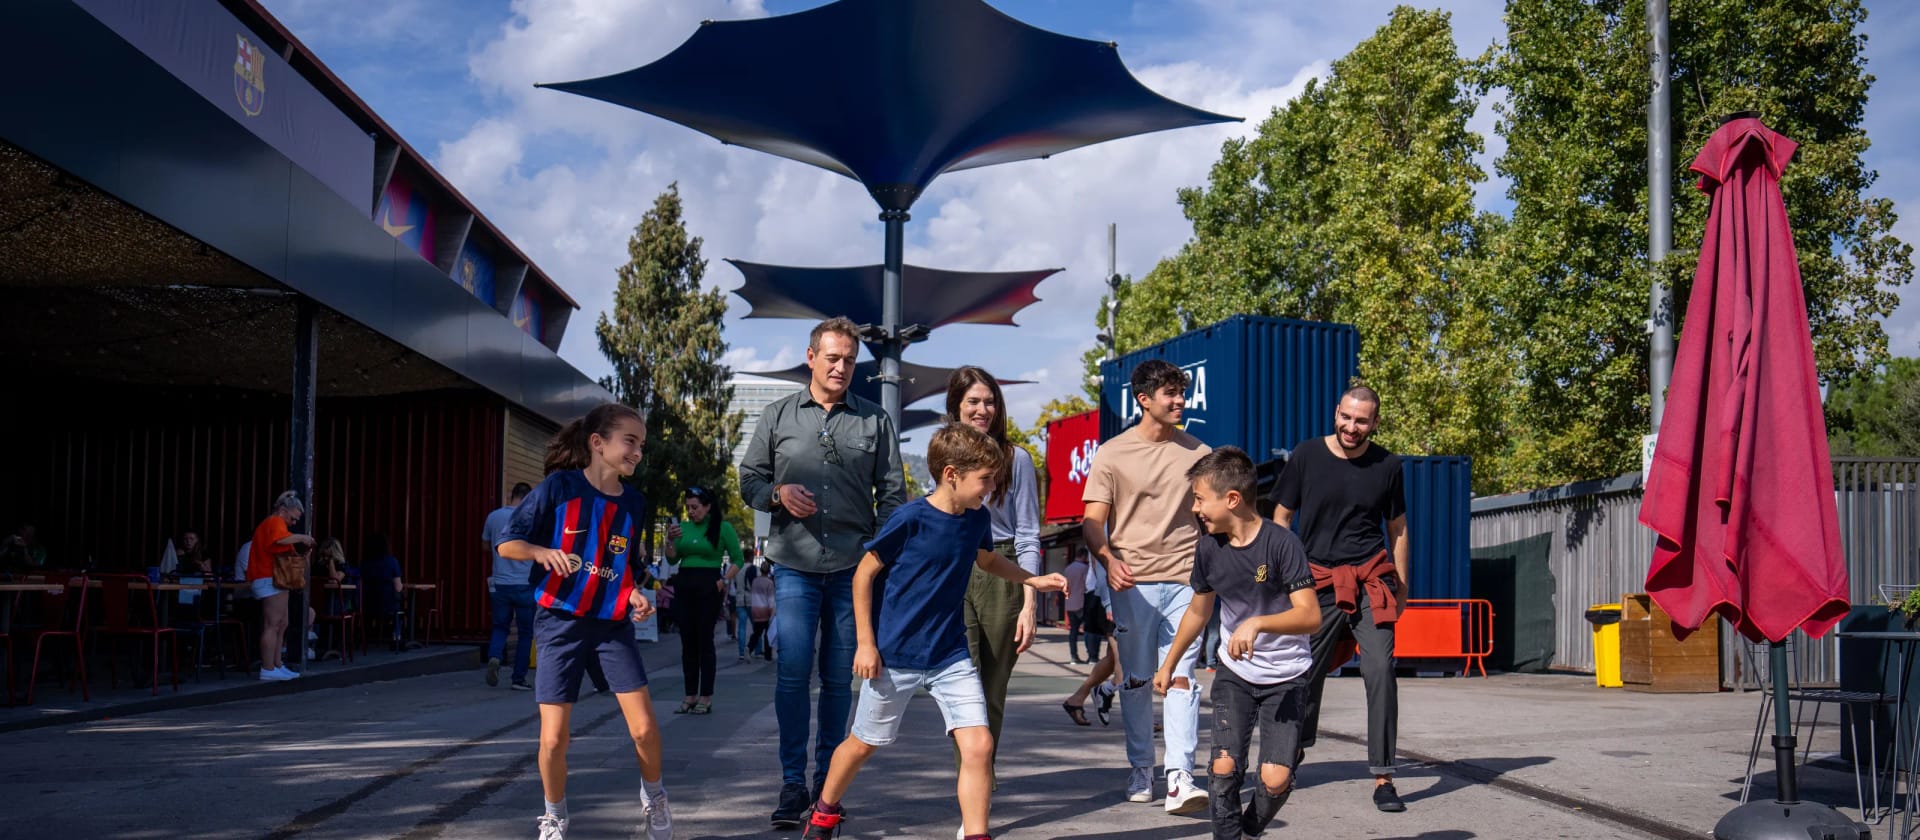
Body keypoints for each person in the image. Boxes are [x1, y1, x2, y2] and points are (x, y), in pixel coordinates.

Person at [798, 423, 1065, 840]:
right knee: (863, 743)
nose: (992, 489)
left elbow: (988, 561)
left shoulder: (976, 519)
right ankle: (824, 813)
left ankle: (977, 834)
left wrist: (1032, 580)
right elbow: (863, 575)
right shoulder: (909, 519)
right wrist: (866, 644)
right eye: (985, 479)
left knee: (979, 745)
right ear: (952, 474)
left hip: (950, 656)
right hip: (895, 656)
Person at [739, 316, 906, 827]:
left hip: (853, 571)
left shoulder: (875, 421)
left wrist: (878, 560)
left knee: (838, 679)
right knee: (792, 671)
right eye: (832, 357)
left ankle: (825, 786)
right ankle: (792, 784)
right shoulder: (778, 416)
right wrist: (777, 494)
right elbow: (750, 478)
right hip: (793, 564)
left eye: (850, 360)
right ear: (810, 357)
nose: (841, 367)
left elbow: (893, 496)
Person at [494, 402, 670, 840]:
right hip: (559, 622)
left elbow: (624, 568)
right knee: (554, 739)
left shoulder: (634, 502)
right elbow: (507, 544)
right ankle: (554, 816)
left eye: (642, 445)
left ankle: (656, 799)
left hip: (612, 627)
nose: (637, 453)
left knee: (645, 729)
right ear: (598, 443)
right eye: (630, 441)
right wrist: (540, 552)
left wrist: (634, 596)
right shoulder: (559, 488)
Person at [1155, 447, 1320, 840]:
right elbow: (1198, 611)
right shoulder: (1209, 547)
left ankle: (1248, 829)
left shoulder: (1282, 545)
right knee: (1224, 767)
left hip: (1287, 676)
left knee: (1275, 779)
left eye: (1199, 498)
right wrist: (1170, 664)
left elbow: (1310, 616)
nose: (1195, 508)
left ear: (1232, 499)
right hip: (1236, 674)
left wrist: (1258, 623)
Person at [1270, 385, 1411, 812]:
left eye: (1362, 420)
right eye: (1347, 417)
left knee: (1380, 669)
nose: (1353, 427)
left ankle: (1384, 775)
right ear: (1336, 413)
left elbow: (1398, 529)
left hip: (1371, 579)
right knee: (1304, 671)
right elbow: (1281, 517)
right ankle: (1293, 751)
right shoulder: (1307, 455)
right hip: (1318, 580)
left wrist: (1402, 588)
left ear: (1375, 422)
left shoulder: (1388, 465)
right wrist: (1285, 577)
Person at [1082, 359, 1213, 814]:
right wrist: (1108, 559)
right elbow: (1092, 521)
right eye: (1170, 394)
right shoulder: (1112, 454)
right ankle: (1142, 767)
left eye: (1182, 392)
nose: (1180, 401)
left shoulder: (1200, 453)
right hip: (1132, 582)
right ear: (1144, 400)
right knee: (1136, 681)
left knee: (1181, 676)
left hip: (1185, 580)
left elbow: (1214, 518)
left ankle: (1180, 776)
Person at [945, 366, 1043, 790]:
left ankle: (980, 775)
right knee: (958, 686)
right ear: (956, 406)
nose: (982, 409)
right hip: (951, 565)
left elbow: (1027, 533)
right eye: (973, 402)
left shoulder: (1016, 458)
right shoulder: (941, 455)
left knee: (991, 689)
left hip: (1000, 566)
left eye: (989, 402)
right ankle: (973, 777)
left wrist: (1030, 600)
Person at [664, 485, 744, 714]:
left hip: (709, 583)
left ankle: (705, 696)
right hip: (685, 582)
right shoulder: (682, 528)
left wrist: (723, 580)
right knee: (687, 640)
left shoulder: (722, 527)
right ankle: (689, 694)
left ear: (707, 507)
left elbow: (737, 558)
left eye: (695, 507)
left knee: (704, 641)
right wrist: (669, 541)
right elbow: (671, 560)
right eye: (688, 507)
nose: (691, 512)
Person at [248, 491, 314, 682]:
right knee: (273, 624)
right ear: (284, 511)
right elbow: (279, 540)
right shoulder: (276, 522)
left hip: (271, 577)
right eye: (293, 518)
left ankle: (276, 664)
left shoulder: (272, 523)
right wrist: (301, 537)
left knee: (281, 623)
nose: (293, 523)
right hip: (269, 576)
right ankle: (268, 667)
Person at [484, 482, 537, 691]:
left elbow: (485, 545)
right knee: (525, 632)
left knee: (500, 626)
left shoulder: (494, 517)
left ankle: (494, 657)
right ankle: (518, 679)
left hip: (499, 584)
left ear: (512, 495)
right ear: (527, 499)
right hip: (524, 584)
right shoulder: (532, 520)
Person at [361, 535, 406, 646]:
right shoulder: (392, 562)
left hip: (367, 604)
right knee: (400, 608)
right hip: (388, 604)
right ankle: (397, 637)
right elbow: (398, 587)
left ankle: (365, 637)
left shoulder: (364, 563)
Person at [732, 546, 759, 662]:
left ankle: (741, 652)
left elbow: (734, 583)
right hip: (751, 600)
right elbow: (755, 584)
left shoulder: (737, 569)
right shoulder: (753, 568)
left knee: (741, 627)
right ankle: (757, 650)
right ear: (751, 557)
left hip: (739, 599)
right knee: (757, 627)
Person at [748, 558, 776, 661]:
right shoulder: (769, 583)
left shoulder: (755, 581)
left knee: (757, 632)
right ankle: (768, 655)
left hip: (755, 610)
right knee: (768, 634)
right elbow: (771, 600)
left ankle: (749, 648)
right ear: (768, 571)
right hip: (766, 611)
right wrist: (772, 612)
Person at [1064, 551, 1089, 664]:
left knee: (1073, 631)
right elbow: (1087, 584)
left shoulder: (1067, 569)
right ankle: (1091, 655)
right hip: (1081, 602)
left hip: (1070, 603)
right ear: (1083, 556)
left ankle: (1073, 656)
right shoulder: (1084, 568)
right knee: (1088, 629)